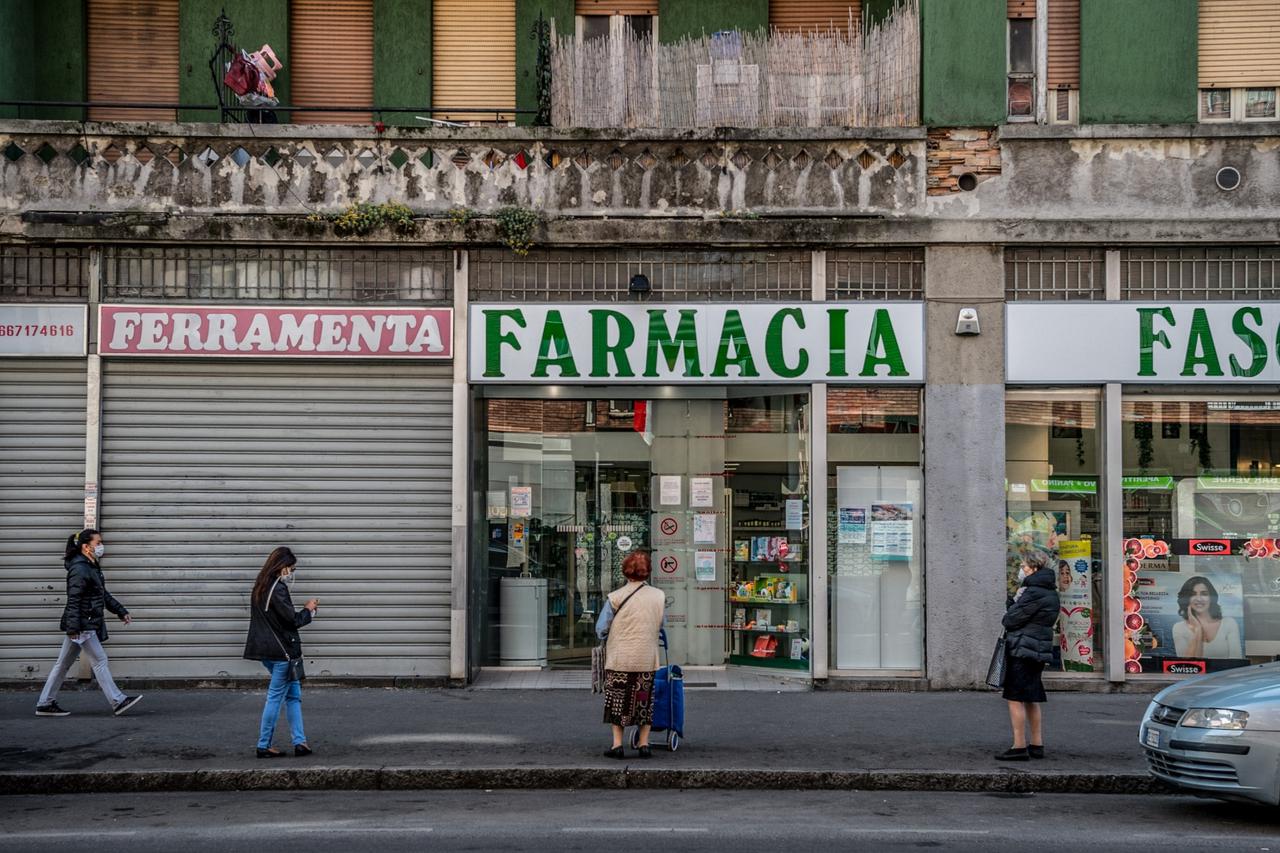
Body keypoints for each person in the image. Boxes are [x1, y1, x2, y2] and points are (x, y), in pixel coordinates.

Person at [35, 529, 142, 717]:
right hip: (83, 624)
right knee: (100, 660)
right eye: (98, 543)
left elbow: (101, 594)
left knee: (62, 664)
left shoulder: (90, 566)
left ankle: (45, 703)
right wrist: (73, 627)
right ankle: (117, 700)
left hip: (82, 622)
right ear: (86, 546)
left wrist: (120, 611)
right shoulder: (80, 568)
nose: (101, 546)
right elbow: (74, 599)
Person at [243, 546, 318, 758]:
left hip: (268, 651)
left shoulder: (261, 585)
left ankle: (300, 742)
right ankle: (264, 744)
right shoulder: (277, 588)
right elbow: (291, 620)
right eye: (290, 568)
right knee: (275, 698)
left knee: (293, 696)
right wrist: (309, 610)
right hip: (282, 654)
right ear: (282, 567)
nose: (291, 573)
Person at [595, 551, 665, 759]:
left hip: (620, 659)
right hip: (647, 659)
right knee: (644, 701)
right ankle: (644, 744)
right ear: (647, 572)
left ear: (626, 572)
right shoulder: (659, 596)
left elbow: (601, 629)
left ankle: (617, 745)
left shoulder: (615, 598)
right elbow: (661, 624)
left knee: (618, 701)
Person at [996, 549, 1060, 761]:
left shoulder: (1032, 592)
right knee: (1031, 697)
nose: (1020, 570)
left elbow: (1010, 620)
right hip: (1037, 649)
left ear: (1034, 568)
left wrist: (1011, 605)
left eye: (1023, 567)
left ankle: (1019, 745)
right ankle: (1036, 743)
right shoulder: (1050, 591)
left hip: (1023, 649)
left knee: (1014, 697)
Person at [1172, 575, 1241, 659]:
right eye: (1193, 594)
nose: (1199, 599)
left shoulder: (1229, 623)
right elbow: (1186, 665)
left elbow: (1236, 662)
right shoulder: (1179, 628)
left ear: (1211, 597)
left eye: (1204, 594)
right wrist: (1198, 631)